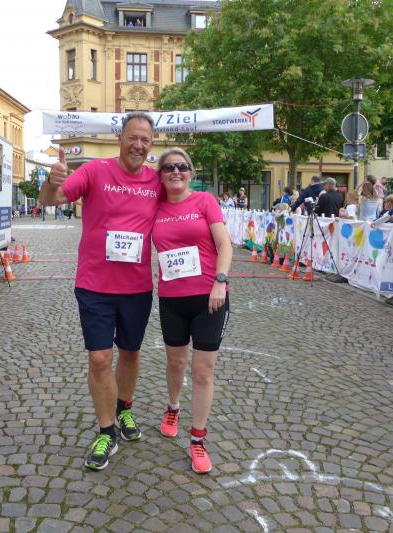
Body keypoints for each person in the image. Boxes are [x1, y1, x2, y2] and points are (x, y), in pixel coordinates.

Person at [39, 112, 160, 470]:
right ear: (119, 138)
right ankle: (106, 431)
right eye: (132, 137)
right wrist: (50, 182)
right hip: (95, 285)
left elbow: (182, 214)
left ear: (151, 145)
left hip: (137, 287)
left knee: (131, 352)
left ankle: (124, 409)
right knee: (99, 358)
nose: (138, 145)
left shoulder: (156, 181)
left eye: (145, 140)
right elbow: (51, 199)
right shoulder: (95, 171)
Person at [150, 148, 232, 474]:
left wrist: (220, 282)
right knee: (176, 362)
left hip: (209, 299)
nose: (176, 171)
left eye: (182, 166)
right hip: (172, 298)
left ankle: (197, 438)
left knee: (202, 372)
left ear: (191, 171)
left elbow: (224, 244)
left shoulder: (204, 201)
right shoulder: (154, 207)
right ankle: (173, 407)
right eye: (169, 167)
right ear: (160, 175)